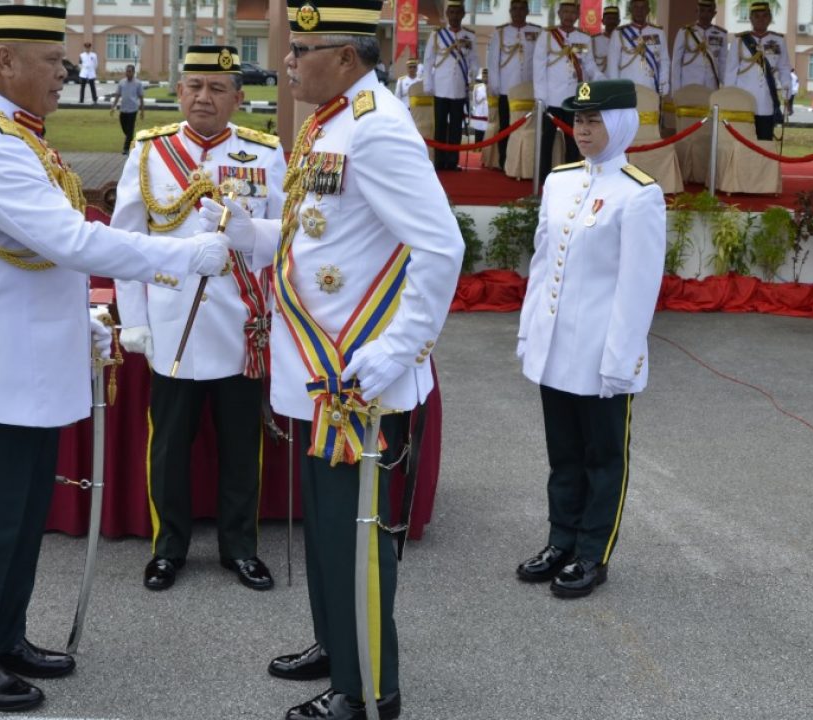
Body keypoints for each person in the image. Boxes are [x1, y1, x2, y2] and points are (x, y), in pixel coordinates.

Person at [0, 4, 229, 712]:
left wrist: (76, 317)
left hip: (22, 361)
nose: (65, 72)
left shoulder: (17, 135)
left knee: (22, 517)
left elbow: (37, 255)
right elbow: (73, 240)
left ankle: (4, 637)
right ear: (6, 62)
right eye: (51, 60)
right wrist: (184, 256)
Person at [218, 1, 462, 717]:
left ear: (348, 57)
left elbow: (441, 245)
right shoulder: (332, 121)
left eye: (303, 50)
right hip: (320, 373)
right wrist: (253, 233)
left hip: (358, 380)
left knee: (356, 541)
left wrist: (397, 351)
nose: (288, 62)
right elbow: (320, 233)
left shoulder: (377, 128)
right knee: (327, 531)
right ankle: (336, 645)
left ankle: (367, 690)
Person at [113, 45, 283, 593]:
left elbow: (285, 239)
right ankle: (168, 549)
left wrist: (278, 318)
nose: (203, 97)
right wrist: (134, 321)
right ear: (179, 91)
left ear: (238, 96)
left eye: (216, 88)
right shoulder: (149, 151)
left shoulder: (265, 153)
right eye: (193, 86)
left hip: (240, 325)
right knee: (168, 448)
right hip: (173, 325)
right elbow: (124, 242)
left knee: (241, 446)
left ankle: (241, 549)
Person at [515, 78, 664, 600]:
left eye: (595, 120)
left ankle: (592, 553)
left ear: (621, 124)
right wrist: (529, 331)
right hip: (556, 348)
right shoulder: (559, 182)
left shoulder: (639, 194)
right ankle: (560, 541)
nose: (582, 129)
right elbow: (541, 264)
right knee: (564, 454)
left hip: (601, 352)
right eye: (578, 120)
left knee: (603, 458)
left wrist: (621, 359)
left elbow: (638, 287)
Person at [532, 0, 602, 184]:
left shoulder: (584, 38)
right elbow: (539, 68)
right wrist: (541, 97)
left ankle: (571, 179)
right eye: (565, 12)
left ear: (577, 15)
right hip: (551, 98)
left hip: (574, 98)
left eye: (572, 12)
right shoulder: (547, 36)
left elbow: (590, 66)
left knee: (574, 141)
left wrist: (603, 80)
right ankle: (543, 180)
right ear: (559, 14)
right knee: (546, 141)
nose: (569, 16)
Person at [422, 0, 477, 171]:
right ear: (447, 14)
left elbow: (474, 61)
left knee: (456, 127)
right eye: (451, 12)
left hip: (459, 87)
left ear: (463, 14)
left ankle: (452, 161)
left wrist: (472, 77)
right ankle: (439, 161)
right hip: (440, 87)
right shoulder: (437, 35)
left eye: (458, 12)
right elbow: (428, 60)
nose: (454, 16)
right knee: (440, 126)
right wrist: (428, 83)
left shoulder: (470, 36)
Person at [723, 1, 789, 141]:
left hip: (766, 101)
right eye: (757, 16)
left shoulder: (778, 40)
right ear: (750, 18)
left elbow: (784, 67)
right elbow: (730, 72)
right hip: (744, 100)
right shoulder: (740, 41)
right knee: (743, 141)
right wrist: (730, 97)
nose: (761, 19)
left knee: (764, 141)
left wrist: (786, 89)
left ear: (770, 18)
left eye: (765, 16)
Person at [486, 0, 540, 169]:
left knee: (528, 127)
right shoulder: (500, 33)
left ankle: (527, 163)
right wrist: (495, 84)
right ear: (510, 11)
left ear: (527, 11)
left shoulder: (537, 32)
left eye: (521, 9)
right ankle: (504, 162)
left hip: (529, 89)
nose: (518, 12)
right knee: (506, 127)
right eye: (514, 9)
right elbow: (493, 61)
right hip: (506, 89)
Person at [612, 0, 670, 97]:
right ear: (630, 9)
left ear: (648, 10)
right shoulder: (619, 33)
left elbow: (664, 60)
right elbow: (613, 65)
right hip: (627, 88)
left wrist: (663, 84)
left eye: (643, 7)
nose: (639, 11)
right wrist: (615, 90)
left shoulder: (658, 33)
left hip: (650, 87)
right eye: (636, 7)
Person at [671, 0, 726, 93]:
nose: (705, 15)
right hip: (689, 85)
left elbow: (723, 63)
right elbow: (676, 63)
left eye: (709, 11)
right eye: (702, 10)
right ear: (697, 11)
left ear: (714, 13)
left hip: (711, 86)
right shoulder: (685, 32)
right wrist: (676, 91)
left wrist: (727, 88)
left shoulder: (721, 34)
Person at [108, 62, 142, 154]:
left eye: (130, 71)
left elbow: (141, 97)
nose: (128, 73)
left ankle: (126, 148)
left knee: (130, 129)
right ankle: (132, 141)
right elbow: (118, 95)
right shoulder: (122, 82)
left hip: (133, 110)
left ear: (133, 72)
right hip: (123, 109)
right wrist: (113, 107)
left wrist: (142, 111)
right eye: (127, 71)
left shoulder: (138, 83)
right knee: (125, 128)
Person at [592, 3, 621, 76]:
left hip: (619, 79)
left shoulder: (624, 41)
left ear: (619, 21)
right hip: (600, 79)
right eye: (609, 18)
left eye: (614, 19)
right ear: (603, 21)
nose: (612, 22)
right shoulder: (594, 40)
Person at [470, 67, 488, 142]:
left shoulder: (492, 88)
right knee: (478, 137)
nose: (485, 78)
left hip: (488, 116)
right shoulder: (477, 87)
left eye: (486, 76)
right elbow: (474, 101)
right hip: (479, 115)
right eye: (484, 76)